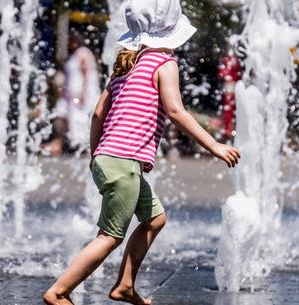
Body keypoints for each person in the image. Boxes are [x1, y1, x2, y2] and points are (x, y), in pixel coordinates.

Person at [43, 0, 240, 304]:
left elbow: (98, 114)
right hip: (124, 163)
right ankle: (58, 293)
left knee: (155, 218)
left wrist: (97, 156)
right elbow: (175, 111)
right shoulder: (165, 64)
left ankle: (124, 285)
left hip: (110, 158)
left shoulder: (126, 63)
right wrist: (214, 145)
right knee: (109, 236)